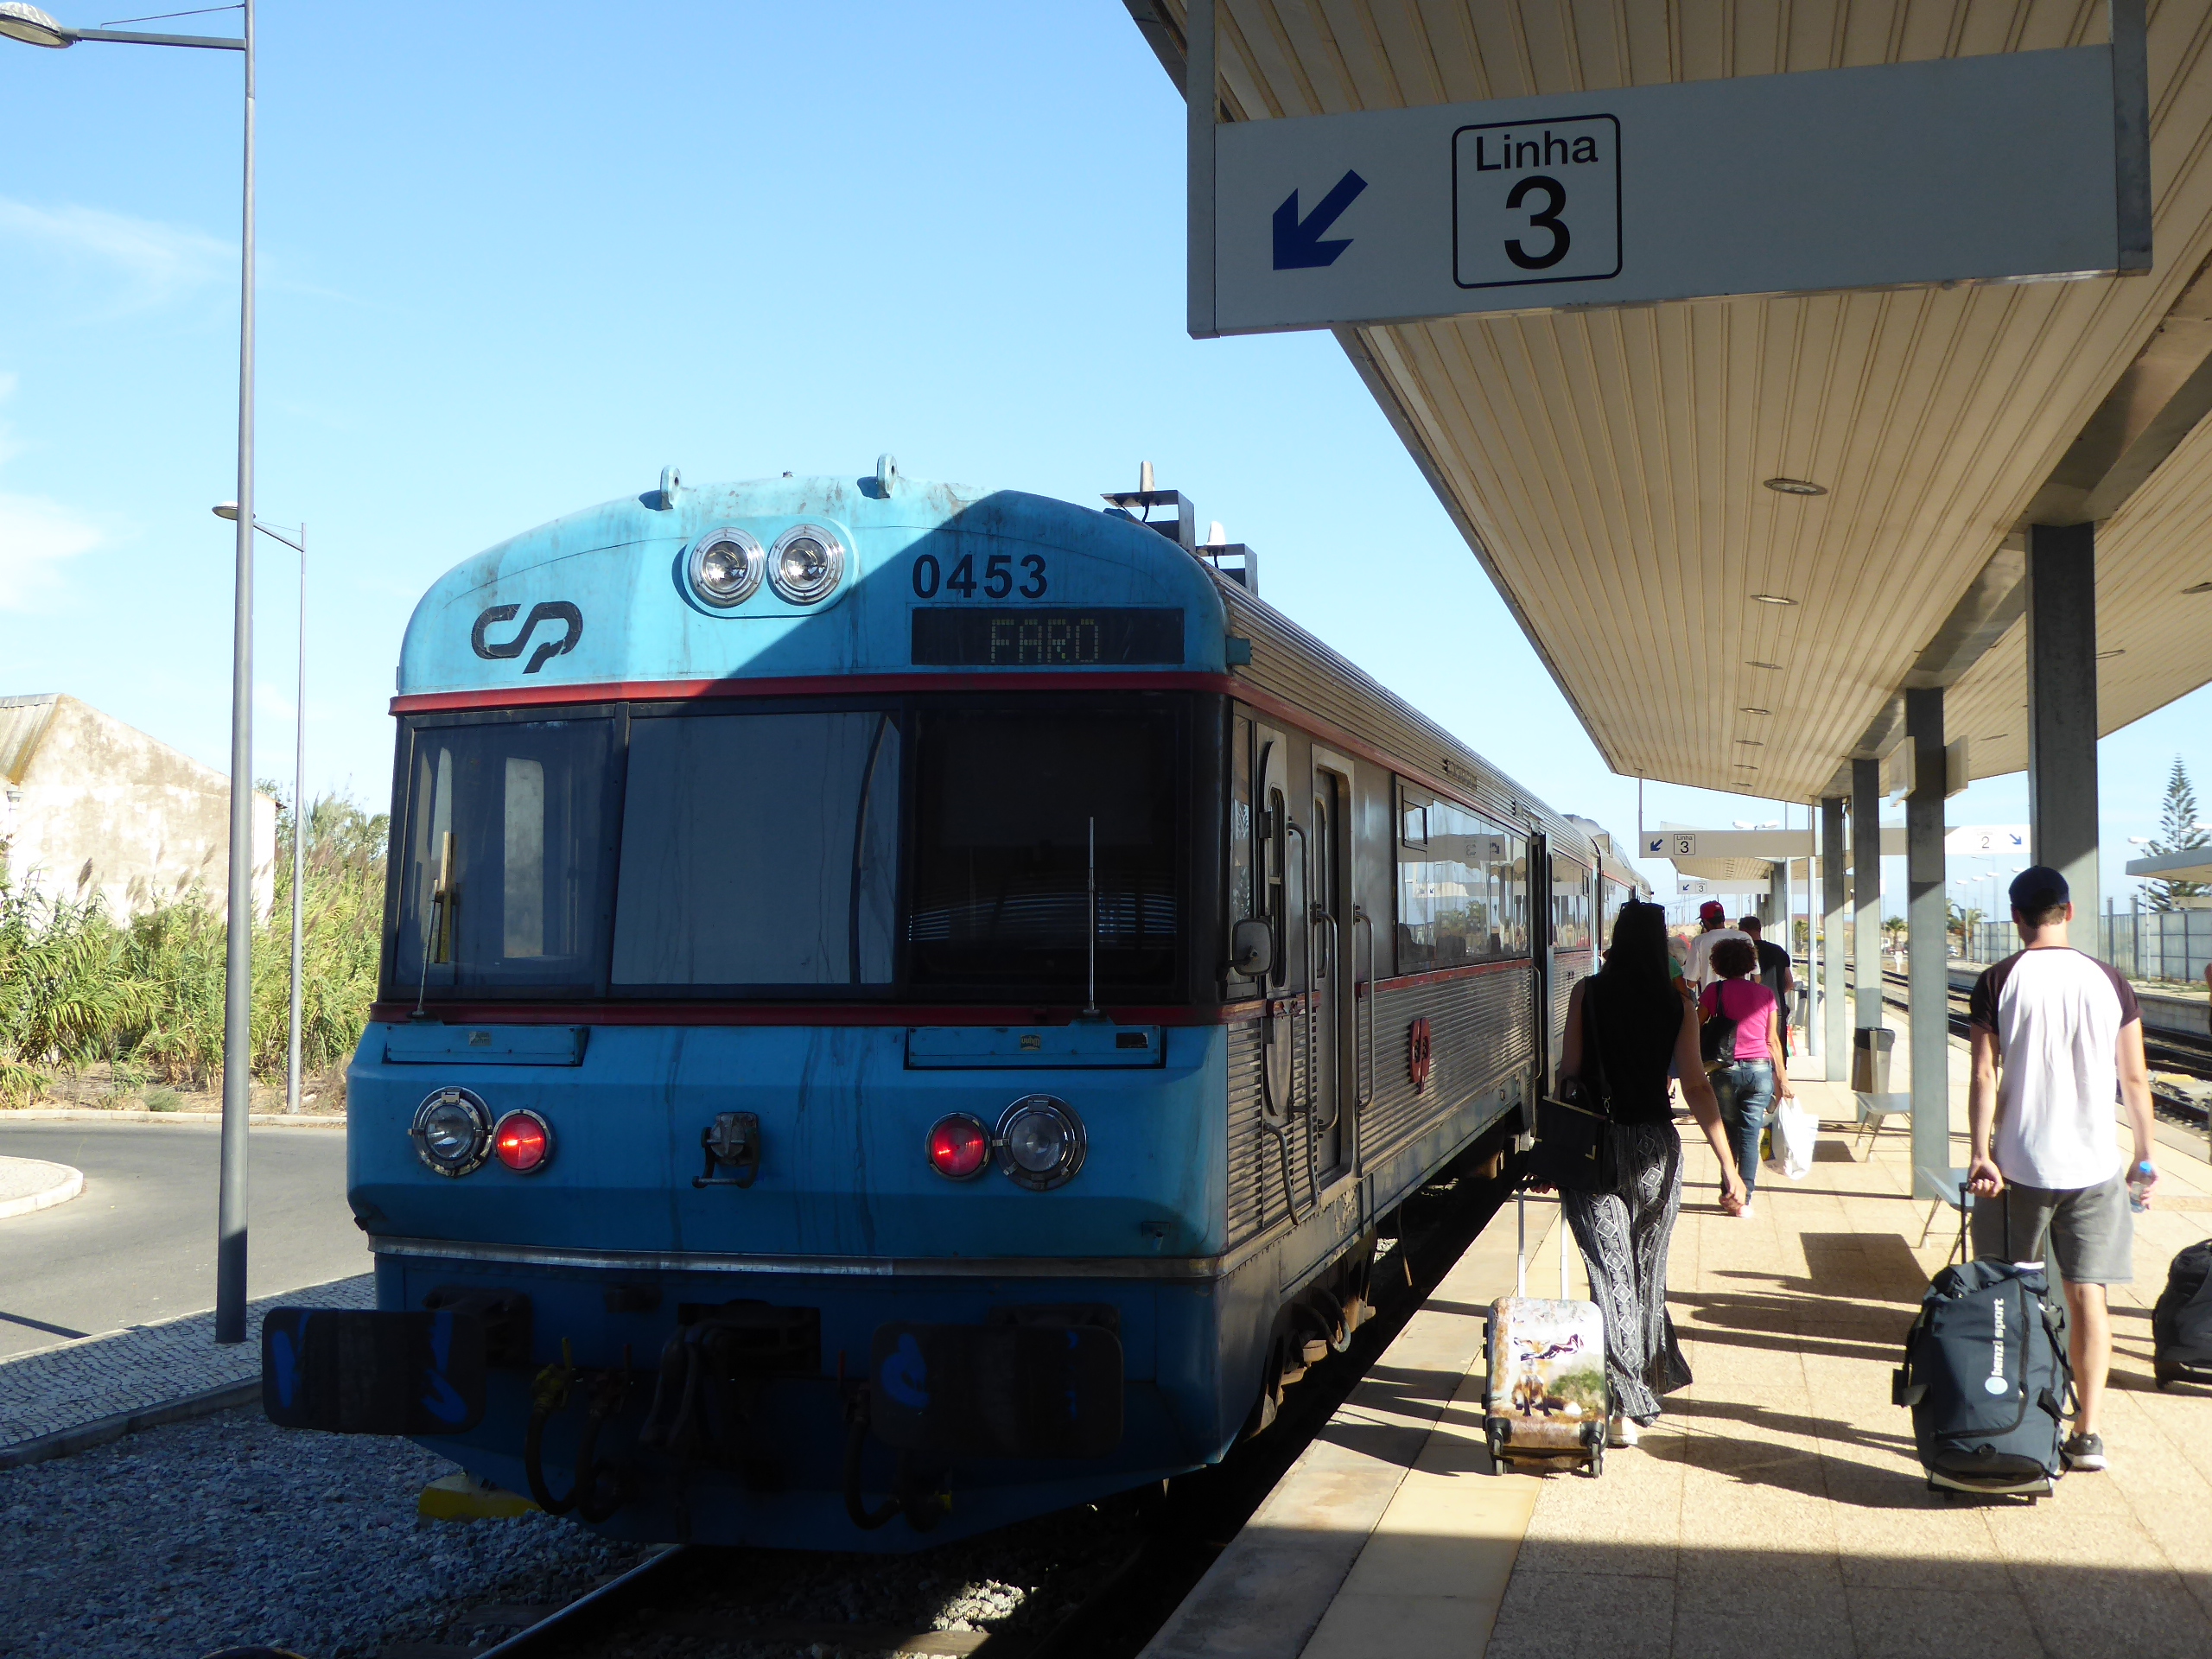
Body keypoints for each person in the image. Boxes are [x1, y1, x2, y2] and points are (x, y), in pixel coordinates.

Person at [1965, 866, 2158, 1475]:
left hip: (2018, 1163)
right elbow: (2134, 1079)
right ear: (2068, 912)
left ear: (2016, 918)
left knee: (2008, 1293)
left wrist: (1980, 1151)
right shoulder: (2110, 980)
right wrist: (2144, 1157)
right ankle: (2088, 1432)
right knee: (2088, 1296)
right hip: (2095, 1165)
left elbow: (1983, 1074)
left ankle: (2012, 1418)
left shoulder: (1998, 979)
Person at [1557, 899, 1750, 1449]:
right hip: (1656, 1150)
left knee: (1610, 1274)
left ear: (1617, 940)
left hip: (1597, 1148)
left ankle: (1623, 1402)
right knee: (1645, 1274)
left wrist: (1557, 1149)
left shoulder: (1587, 993)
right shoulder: (1678, 1004)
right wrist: (1730, 1167)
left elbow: (1570, 1075)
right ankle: (1635, 1385)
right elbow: (1696, 1086)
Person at [1698, 937, 1795, 1216]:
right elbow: (1772, 1041)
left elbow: (1695, 1024)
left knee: (1728, 1134)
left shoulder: (1714, 992)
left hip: (1725, 1072)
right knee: (1750, 1135)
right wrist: (1782, 1080)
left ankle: (1729, 1191)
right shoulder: (1765, 994)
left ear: (1718, 964)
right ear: (1750, 964)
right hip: (1759, 1072)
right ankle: (1745, 1199)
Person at [1739, 915, 1797, 1060]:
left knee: (1755, 1056)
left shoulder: (1742, 952)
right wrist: (1774, 995)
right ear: (1759, 929)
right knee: (1777, 1053)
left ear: (1743, 931)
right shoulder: (1778, 951)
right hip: (1776, 1009)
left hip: (1750, 1012)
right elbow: (1789, 982)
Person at [1685, 900, 1752, 992]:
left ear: (1705, 922)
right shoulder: (1744, 937)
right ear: (1723, 918)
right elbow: (1757, 977)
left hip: (1713, 998)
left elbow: (1691, 983)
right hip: (1742, 996)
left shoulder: (1699, 941)